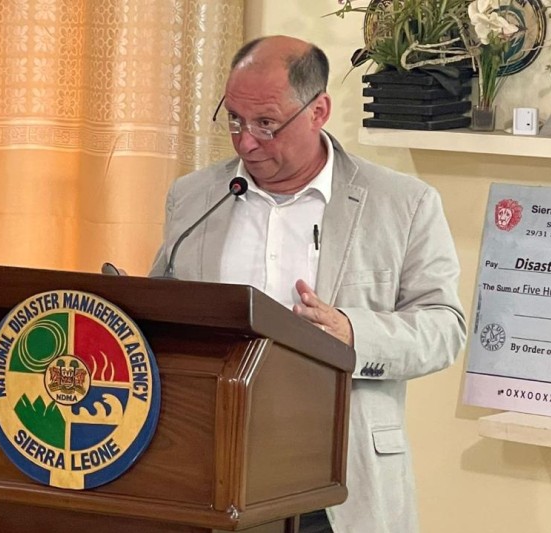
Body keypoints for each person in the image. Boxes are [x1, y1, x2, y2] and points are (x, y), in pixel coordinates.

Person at [149, 36, 466, 533]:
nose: (246, 141)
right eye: (234, 118)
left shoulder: (402, 204)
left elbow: (445, 328)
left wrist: (351, 332)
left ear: (318, 111)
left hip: (337, 482)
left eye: (266, 124)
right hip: (206, 474)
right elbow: (162, 312)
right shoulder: (194, 198)